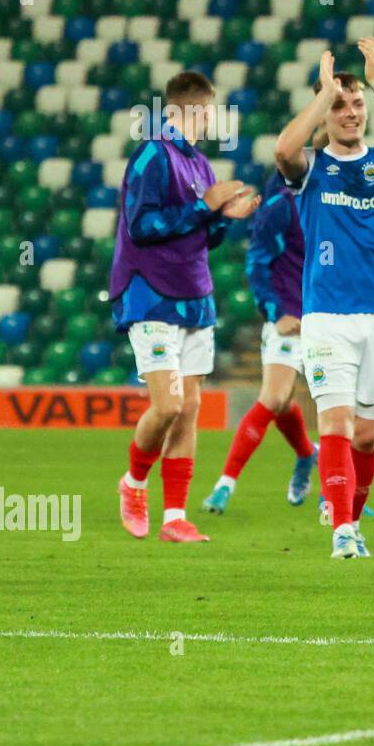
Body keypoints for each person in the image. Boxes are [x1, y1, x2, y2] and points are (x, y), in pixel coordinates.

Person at [274, 38, 374, 559]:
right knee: (335, 424)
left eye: (356, 104)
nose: (350, 113)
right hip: (327, 316)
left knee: (366, 436)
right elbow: (281, 151)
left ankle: (351, 519)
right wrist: (325, 91)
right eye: (340, 105)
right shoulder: (312, 168)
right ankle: (342, 529)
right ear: (324, 112)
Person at [112, 71, 259, 542]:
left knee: (190, 408)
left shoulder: (201, 165)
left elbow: (203, 236)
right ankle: (134, 483)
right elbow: (140, 226)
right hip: (151, 293)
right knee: (168, 405)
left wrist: (223, 218)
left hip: (195, 295)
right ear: (197, 110)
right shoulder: (153, 154)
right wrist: (204, 208)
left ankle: (175, 518)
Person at [202, 167, 317, 514]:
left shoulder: (338, 199)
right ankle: (225, 484)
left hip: (332, 316)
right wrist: (275, 311)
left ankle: (332, 481)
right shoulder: (282, 205)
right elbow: (257, 262)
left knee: (327, 404)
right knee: (273, 398)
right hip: (291, 319)